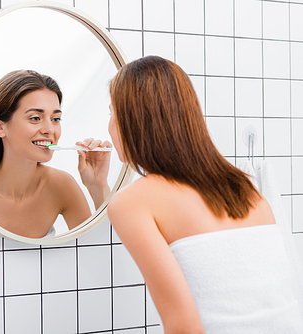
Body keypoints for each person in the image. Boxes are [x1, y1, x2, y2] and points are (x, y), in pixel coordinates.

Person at [107, 56, 303, 333]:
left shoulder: (131, 202)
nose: (110, 125)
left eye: (112, 112)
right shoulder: (245, 187)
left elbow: (183, 325)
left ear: (132, 121)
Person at [0, 70, 112, 238]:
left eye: (55, 119)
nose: (49, 130)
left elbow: (96, 252)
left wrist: (99, 187)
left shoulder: (61, 186)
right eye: (35, 118)